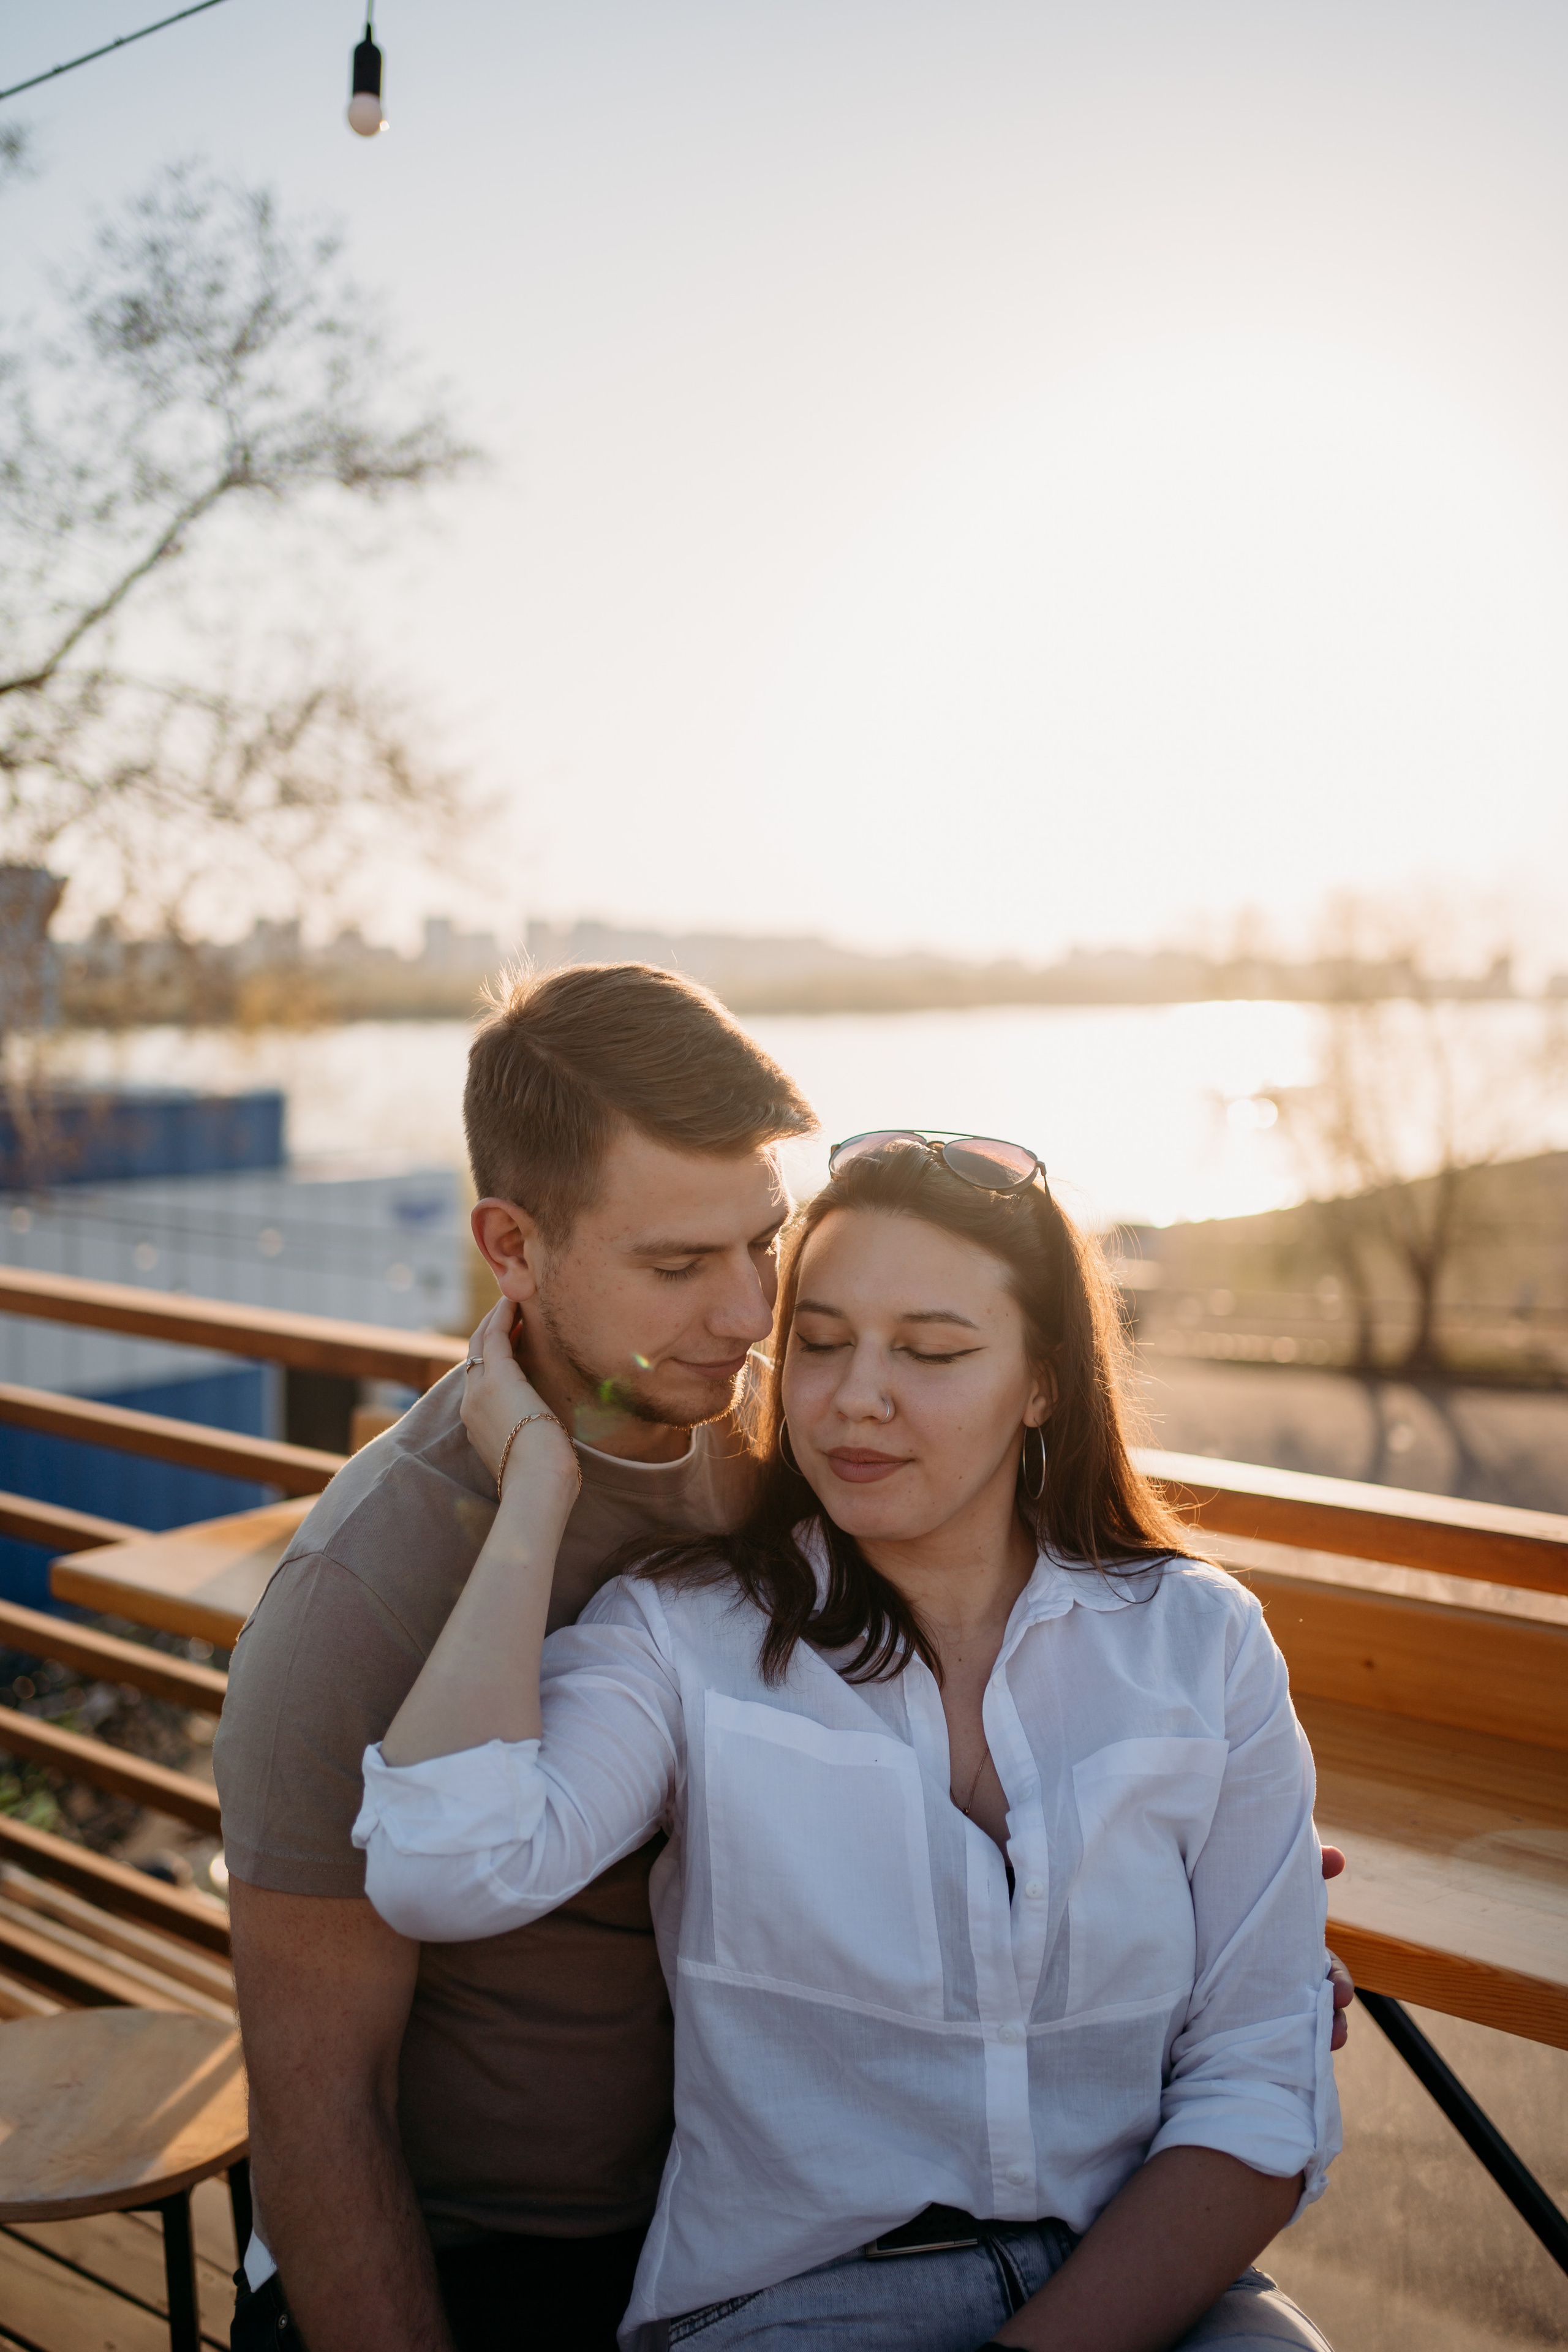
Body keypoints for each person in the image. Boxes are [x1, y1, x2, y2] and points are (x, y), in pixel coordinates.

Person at [356, 1129, 1342, 2352]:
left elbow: (1258, 2090)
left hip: (1141, 2290)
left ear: (1042, 1381)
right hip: (793, 2307)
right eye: (817, 1343)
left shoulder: (1199, 1643)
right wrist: (536, 1490)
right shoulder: (686, 1637)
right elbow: (438, 1865)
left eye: (929, 1352)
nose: (853, 1396)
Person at [214, 962, 816, 2352]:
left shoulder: (793, 1448)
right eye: (675, 1266)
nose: (746, 1315)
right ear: (513, 1244)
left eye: (763, 1244)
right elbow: (322, 2116)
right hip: (490, 2262)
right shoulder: (360, 1594)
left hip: (774, 2217)